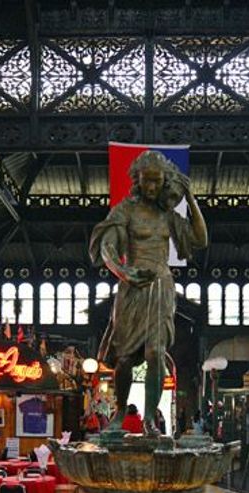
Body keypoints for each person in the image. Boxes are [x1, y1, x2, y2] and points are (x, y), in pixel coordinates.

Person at [90, 150, 208, 435]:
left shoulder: (168, 215)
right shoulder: (125, 210)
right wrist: (123, 271)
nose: (152, 188)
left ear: (165, 181)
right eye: (146, 181)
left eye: (157, 182)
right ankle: (120, 413)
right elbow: (107, 246)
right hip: (132, 287)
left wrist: (191, 198)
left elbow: (200, 240)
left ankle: (150, 421)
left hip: (161, 288)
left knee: (156, 353)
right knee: (126, 358)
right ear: (137, 180)